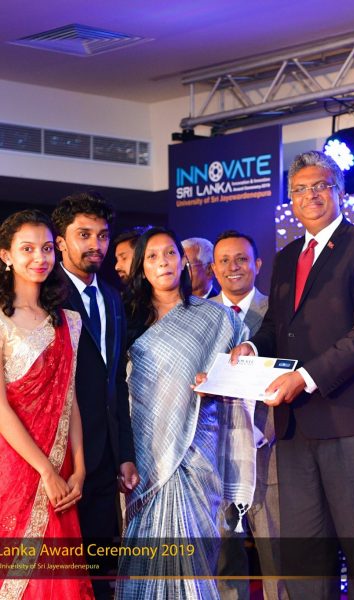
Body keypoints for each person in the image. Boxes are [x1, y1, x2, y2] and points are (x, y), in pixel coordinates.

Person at [230, 151, 354, 599]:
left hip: (352, 423)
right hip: (295, 429)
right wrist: (253, 347)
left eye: (320, 186)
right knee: (305, 562)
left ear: (339, 192)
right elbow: (275, 326)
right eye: (300, 189)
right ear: (291, 199)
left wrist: (303, 378)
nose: (310, 196)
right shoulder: (287, 257)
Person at [115, 227, 256, 599]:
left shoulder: (215, 318)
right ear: (141, 267)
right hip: (144, 456)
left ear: (183, 262)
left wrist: (224, 373)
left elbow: (243, 368)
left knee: (194, 559)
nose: (163, 262)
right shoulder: (126, 321)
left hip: (197, 451)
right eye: (152, 256)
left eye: (170, 253)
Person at [0, 209, 93, 599]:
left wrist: (80, 467)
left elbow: (70, 400)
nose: (39, 257)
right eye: (27, 249)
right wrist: (45, 470)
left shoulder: (69, 321)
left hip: (62, 469)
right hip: (14, 467)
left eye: (47, 248)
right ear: (5, 255)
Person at [51, 192, 138, 599]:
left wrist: (124, 453)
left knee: (102, 571)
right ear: (61, 241)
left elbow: (116, 381)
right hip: (58, 456)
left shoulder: (113, 297)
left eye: (102, 236)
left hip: (105, 457)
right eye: (83, 235)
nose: (96, 245)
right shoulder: (44, 295)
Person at [211, 230, 287, 600]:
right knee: (223, 558)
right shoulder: (199, 315)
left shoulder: (280, 313)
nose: (233, 267)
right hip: (215, 453)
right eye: (224, 261)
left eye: (241, 259)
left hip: (268, 451)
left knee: (277, 555)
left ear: (257, 264)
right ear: (213, 269)